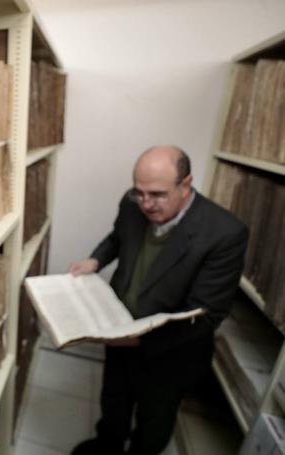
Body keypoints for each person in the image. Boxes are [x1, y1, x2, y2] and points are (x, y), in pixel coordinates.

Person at [69, 145, 248, 455]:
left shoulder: (224, 233)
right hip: (119, 328)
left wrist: (138, 341)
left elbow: (208, 316)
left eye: (157, 194)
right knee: (113, 400)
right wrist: (96, 261)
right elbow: (117, 237)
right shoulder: (132, 202)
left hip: (170, 353)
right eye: (140, 193)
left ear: (186, 184)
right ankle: (107, 443)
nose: (146, 204)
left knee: (154, 420)